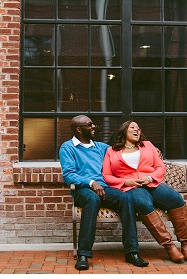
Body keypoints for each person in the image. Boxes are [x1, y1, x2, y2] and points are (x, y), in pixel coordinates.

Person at [59, 115, 150, 270]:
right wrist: (91, 183)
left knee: (126, 199)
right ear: (79, 130)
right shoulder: (68, 148)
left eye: (93, 124)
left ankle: (132, 252)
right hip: (83, 190)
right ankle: (83, 255)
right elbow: (68, 175)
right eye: (89, 125)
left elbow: (120, 156)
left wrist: (143, 153)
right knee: (92, 200)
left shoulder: (101, 148)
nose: (94, 127)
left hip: (105, 188)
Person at [102, 121, 187, 263]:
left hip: (152, 183)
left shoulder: (147, 145)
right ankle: (169, 246)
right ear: (123, 131)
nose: (137, 130)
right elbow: (107, 176)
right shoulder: (112, 151)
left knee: (175, 198)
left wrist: (149, 177)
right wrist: (125, 182)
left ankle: (186, 244)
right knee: (143, 203)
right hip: (132, 187)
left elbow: (160, 167)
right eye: (132, 127)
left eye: (138, 128)